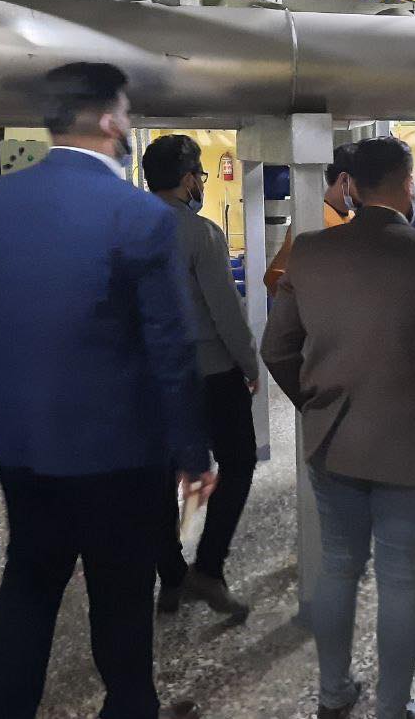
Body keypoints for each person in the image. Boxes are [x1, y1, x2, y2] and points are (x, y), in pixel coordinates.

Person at [0, 63, 212, 719]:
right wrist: (191, 451)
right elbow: (169, 344)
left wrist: (8, 408)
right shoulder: (138, 213)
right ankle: (130, 706)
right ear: (109, 120)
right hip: (117, 449)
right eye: (124, 112)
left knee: (29, 582)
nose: (127, 124)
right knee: (121, 590)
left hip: (22, 442)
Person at [261, 136, 415, 719]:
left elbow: (276, 348)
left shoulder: (310, 251)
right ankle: (391, 708)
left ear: (351, 186)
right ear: (408, 185)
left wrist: (314, 404)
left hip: (333, 442)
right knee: (401, 579)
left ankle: (332, 694)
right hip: (414, 449)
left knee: (338, 566)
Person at [143, 134, 260, 622]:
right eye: (200, 177)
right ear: (189, 179)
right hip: (210, 375)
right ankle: (208, 568)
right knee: (239, 461)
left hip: (149, 380)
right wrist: (249, 363)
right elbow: (226, 311)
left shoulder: (124, 232)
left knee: (158, 477)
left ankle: (171, 575)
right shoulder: (202, 234)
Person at [264, 143, 360, 296]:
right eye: (364, 183)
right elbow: (274, 277)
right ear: (344, 180)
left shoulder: (352, 218)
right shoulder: (313, 219)